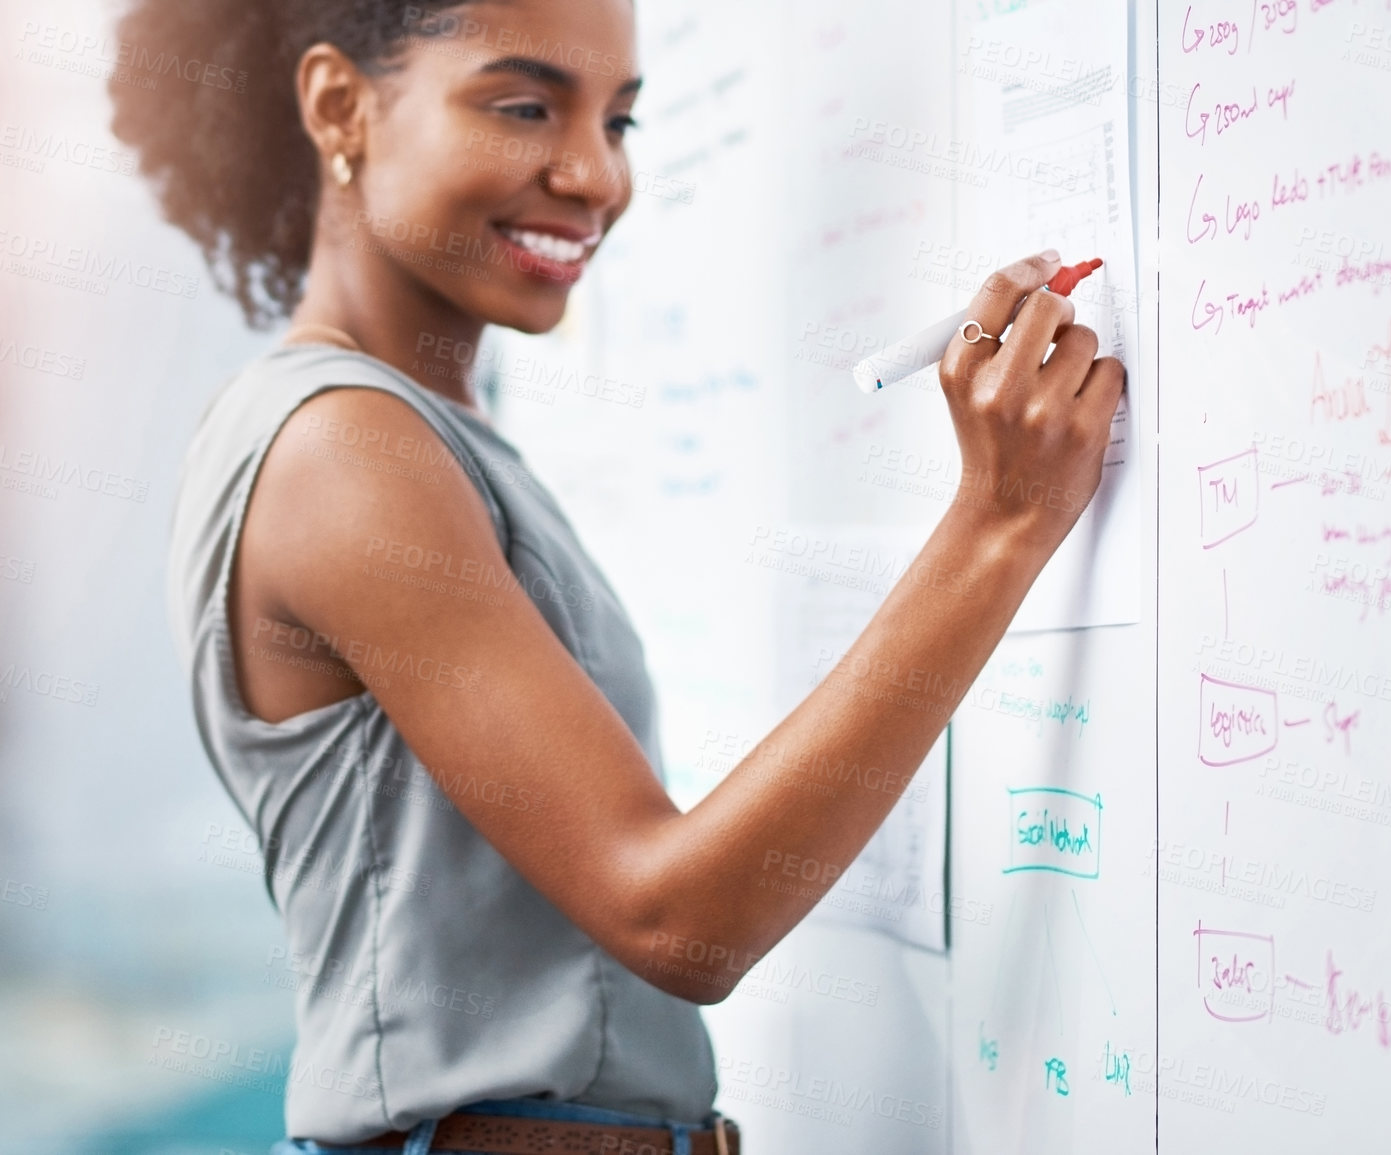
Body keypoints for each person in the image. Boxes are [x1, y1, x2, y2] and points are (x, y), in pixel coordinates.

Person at [111, 0, 1125, 1151]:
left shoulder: (422, 436)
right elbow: (679, 917)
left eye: (623, 121)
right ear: (342, 106)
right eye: (525, 106)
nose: (596, 176)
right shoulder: (344, 449)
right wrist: (997, 524)